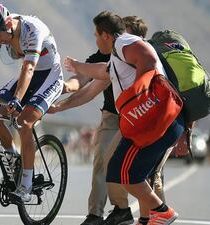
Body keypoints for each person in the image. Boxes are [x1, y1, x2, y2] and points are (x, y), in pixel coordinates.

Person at [64, 11, 184, 225]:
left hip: (152, 120)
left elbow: (146, 58)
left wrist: (141, 96)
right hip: (149, 121)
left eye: (96, 35)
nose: (94, 39)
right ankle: (148, 218)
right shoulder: (117, 56)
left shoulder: (123, 42)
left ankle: (162, 212)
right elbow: (101, 72)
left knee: (125, 172)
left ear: (106, 35)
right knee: (125, 171)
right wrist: (77, 66)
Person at [49, 15, 152, 225]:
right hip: (113, 116)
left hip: (141, 115)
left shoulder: (133, 58)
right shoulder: (103, 56)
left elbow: (93, 79)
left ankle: (148, 214)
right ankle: (97, 214)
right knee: (102, 159)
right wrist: (61, 93)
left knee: (145, 171)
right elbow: (86, 85)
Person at [0, 1, 63, 203]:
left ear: (8, 24)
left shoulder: (32, 30)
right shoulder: (0, 30)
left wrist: (17, 101)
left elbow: (28, 68)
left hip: (49, 76)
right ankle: (13, 159)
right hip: (28, 76)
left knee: (24, 123)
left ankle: (26, 186)